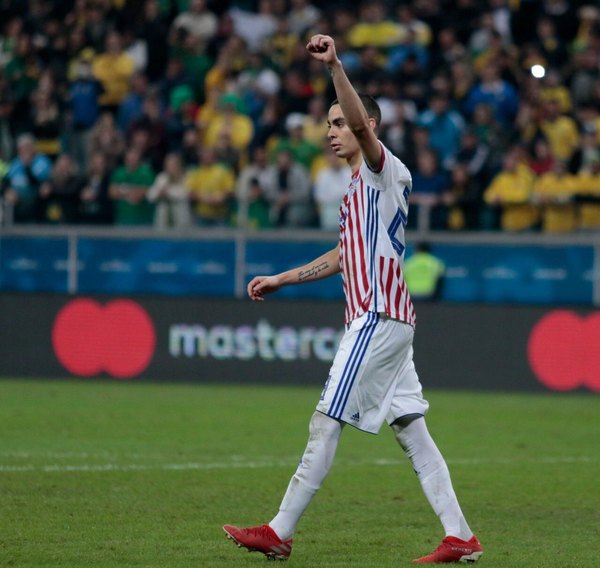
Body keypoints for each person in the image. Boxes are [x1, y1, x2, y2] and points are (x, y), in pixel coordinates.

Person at [223, 34, 483, 565]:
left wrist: (336, 65)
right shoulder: (354, 193)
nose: (333, 132)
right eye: (329, 125)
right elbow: (344, 256)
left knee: (326, 419)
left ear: (368, 125)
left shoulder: (383, 172)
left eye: (341, 122)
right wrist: (282, 278)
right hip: (387, 320)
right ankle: (461, 536)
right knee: (413, 431)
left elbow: (363, 127)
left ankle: (279, 530)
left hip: (378, 317)